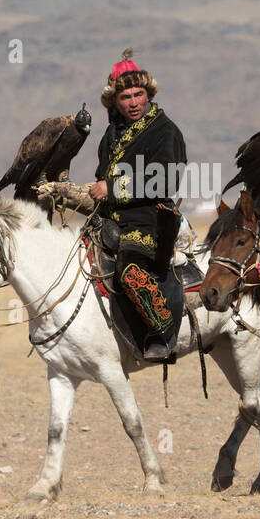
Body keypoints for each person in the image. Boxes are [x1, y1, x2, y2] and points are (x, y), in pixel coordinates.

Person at [89, 48, 187, 361]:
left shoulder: (165, 131)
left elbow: (167, 181)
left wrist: (113, 189)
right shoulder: (110, 134)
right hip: (110, 220)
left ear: (149, 94)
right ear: (114, 102)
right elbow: (100, 180)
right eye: (126, 97)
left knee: (130, 270)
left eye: (138, 94)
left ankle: (162, 332)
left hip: (150, 221)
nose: (133, 103)